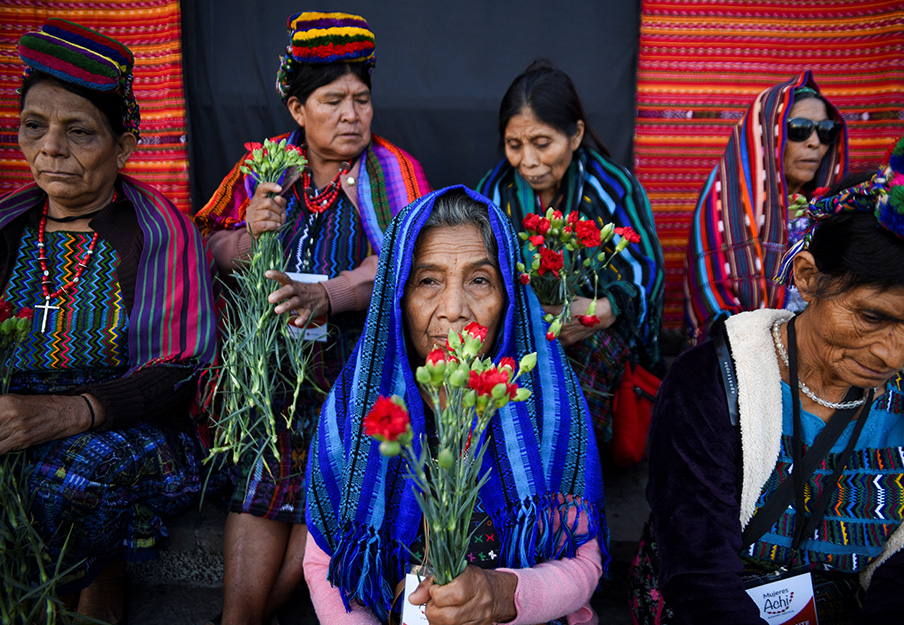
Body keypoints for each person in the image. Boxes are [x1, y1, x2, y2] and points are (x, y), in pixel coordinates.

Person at [632, 130, 904, 624]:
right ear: (807, 278)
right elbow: (700, 572)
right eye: (873, 317)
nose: (895, 353)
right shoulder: (711, 382)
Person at [193, 12, 430, 625]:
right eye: (333, 100)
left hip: (361, 372)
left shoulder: (391, 172)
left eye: (362, 98)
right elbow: (208, 246)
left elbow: (407, 260)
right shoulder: (268, 169)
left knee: (328, 476)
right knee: (268, 465)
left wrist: (330, 296)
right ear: (297, 109)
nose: (353, 114)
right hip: (277, 376)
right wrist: (250, 234)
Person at [302, 186, 608, 624]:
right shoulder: (361, 404)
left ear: (508, 297)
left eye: (479, 280)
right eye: (428, 280)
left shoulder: (545, 402)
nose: (453, 310)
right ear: (397, 295)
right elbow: (323, 565)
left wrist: (503, 596)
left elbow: (584, 563)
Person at [0, 19, 217, 623]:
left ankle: (92, 605)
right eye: (34, 127)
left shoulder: (157, 234)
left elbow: (183, 368)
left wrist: (69, 412)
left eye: (79, 133)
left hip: (139, 425)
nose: (49, 149)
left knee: (74, 481)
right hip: (20, 415)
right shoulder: (9, 229)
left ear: (123, 147)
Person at [478, 59, 664, 445]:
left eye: (542, 143)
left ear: (575, 135)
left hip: (595, 337)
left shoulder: (611, 187)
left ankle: (578, 475)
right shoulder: (495, 193)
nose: (527, 161)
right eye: (515, 145)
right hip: (517, 335)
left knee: (586, 355)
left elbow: (646, 271)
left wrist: (605, 309)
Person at [684, 70, 848, 342]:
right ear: (766, 136)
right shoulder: (727, 204)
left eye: (826, 131)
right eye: (799, 129)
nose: (815, 142)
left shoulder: (831, 209)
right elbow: (720, 312)